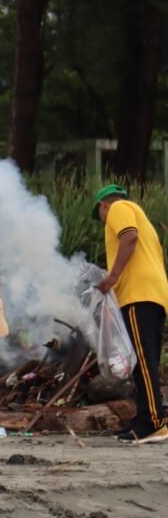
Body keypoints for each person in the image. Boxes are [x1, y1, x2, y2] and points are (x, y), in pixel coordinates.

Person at [94, 184, 168, 443]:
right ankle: (144, 417)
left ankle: (154, 423)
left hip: (138, 295)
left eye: (100, 216)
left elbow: (129, 238)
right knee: (144, 362)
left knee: (143, 360)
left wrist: (112, 277)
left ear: (103, 206)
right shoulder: (140, 216)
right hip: (154, 294)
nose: (103, 221)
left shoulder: (119, 208)